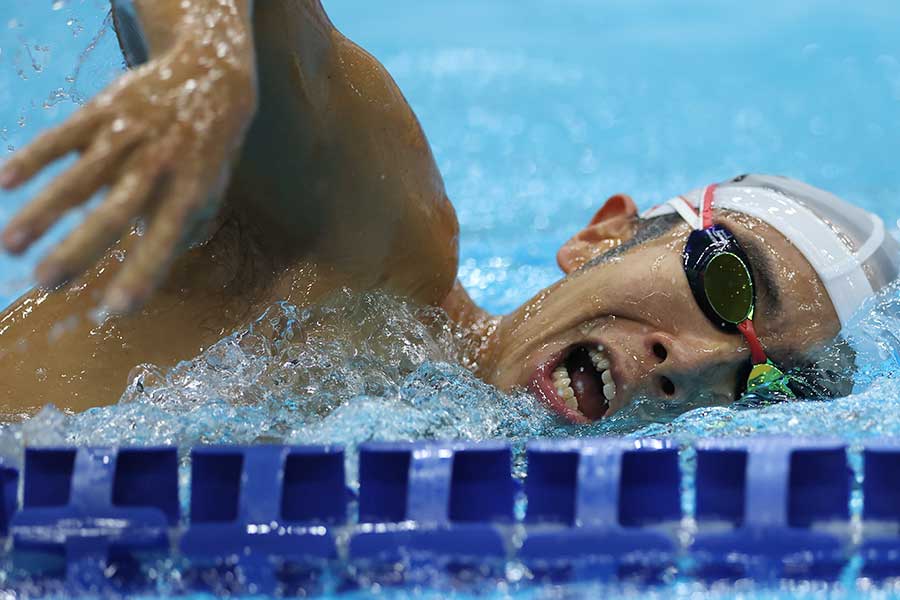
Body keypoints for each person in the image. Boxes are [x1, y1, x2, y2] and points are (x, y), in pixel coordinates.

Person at [0, 0, 895, 421]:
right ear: (604, 235)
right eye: (729, 283)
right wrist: (210, 61)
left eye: (761, 383)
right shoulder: (367, 242)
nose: (688, 365)